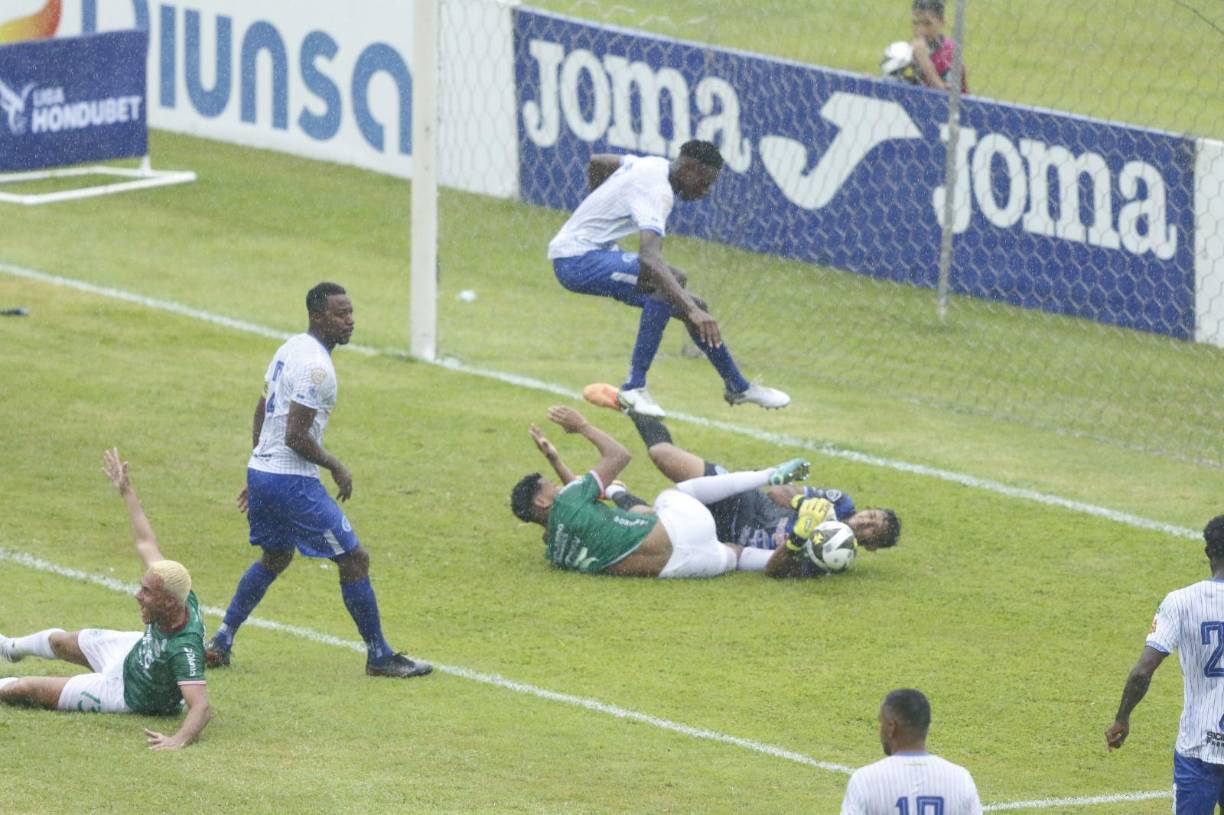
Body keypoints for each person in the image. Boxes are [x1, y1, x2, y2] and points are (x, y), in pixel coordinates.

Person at [204, 282, 430, 679]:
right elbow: (295, 436)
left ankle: (222, 640)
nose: (351, 321)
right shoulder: (317, 368)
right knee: (354, 559)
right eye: (341, 314)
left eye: (351, 312)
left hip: (264, 472)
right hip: (292, 481)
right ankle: (379, 655)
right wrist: (335, 465)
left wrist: (258, 462)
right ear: (318, 316)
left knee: (275, 556)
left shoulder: (289, 348)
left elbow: (262, 407)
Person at [547, 138, 790, 419]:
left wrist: (596, 199)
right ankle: (634, 387)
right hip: (576, 261)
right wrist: (692, 311)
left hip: (589, 254)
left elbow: (598, 161)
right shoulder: (658, 192)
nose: (705, 191)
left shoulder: (653, 164)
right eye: (704, 182)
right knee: (673, 285)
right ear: (689, 168)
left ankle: (738, 386)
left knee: (693, 301)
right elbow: (649, 259)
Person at [0, 448, 212, 751]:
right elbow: (145, 542)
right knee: (61, 641)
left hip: (125, 692)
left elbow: (201, 708)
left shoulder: (184, 647)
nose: (138, 595)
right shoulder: (176, 587)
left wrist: (178, 739)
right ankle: (10, 648)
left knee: (27, 688)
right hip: (131, 652)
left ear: (168, 602)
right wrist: (126, 490)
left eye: (147, 593)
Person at [580, 382, 902, 576]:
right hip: (739, 499)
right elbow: (777, 491)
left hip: (723, 537)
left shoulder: (833, 556)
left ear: (871, 547)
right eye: (871, 516)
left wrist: (800, 537)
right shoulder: (838, 503)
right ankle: (631, 404)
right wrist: (803, 504)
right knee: (663, 455)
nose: (866, 523)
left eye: (874, 530)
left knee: (649, 522)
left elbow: (775, 571)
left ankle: (616, 492)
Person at [511, 406, 810, 578]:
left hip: (683, 566)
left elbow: (575, 503)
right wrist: (583, 426)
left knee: (737, 553)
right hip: (682, 529)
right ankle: (768, 474)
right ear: (541, 499)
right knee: (673, 495)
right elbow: (619, 456)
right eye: (551, 486)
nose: (558, 485)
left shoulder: (555, 551)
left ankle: (800, 555)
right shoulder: (570, 500)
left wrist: (555, 459)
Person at [1106, 515, 1224, 812]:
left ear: (1208, 551)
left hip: (1197, 748)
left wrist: (1122, 718)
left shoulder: (1181, 601)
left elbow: (1142, 672)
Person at [842, 688, 982, 814]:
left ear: (891, 727)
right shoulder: (960, 780)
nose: (880, 729)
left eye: (881, 722)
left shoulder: (865, 781)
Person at [910, 0, 968, 93]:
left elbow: (948, 100)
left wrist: (924, 61)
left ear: (942, 22)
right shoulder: (910, 49)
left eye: (927, 23)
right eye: (915, 23)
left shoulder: (950, 52)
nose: (920, 30)